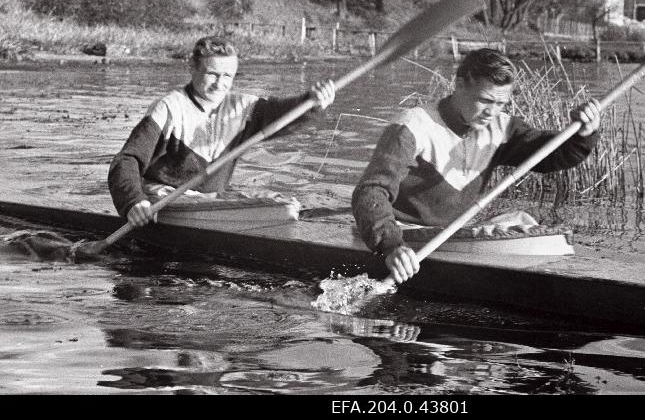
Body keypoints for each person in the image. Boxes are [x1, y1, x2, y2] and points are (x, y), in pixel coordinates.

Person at [352, 48, 600, 285]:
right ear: (460, 84)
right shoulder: (412, 127)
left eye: (501, 104)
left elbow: (552, 156)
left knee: (530, 226)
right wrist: (391, 246)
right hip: (406, 236)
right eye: (485, 100)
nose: (492, 112)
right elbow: (370, 192)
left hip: (453, 234)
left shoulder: (501, 127)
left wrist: (583, 134)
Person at [108, 36, 336, 228]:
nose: (220, 84)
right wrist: (133, 202)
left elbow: (284, 113)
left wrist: (313, 102)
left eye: (228, 76)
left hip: (209, 201)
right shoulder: (169, 107)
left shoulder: (243, 107)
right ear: (193, 69)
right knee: (278, 212)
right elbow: (127, 160)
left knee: (284, 206)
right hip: (163, 199)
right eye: (212, 74)